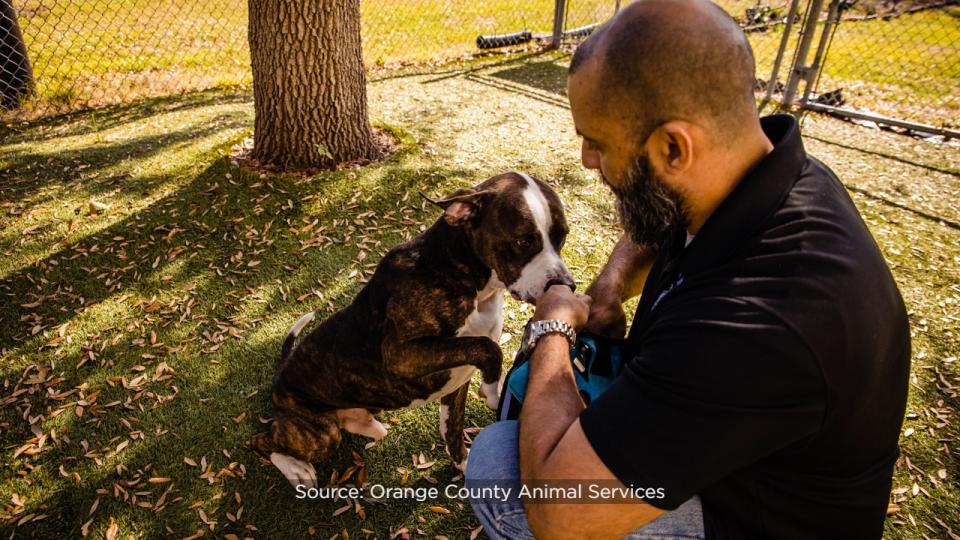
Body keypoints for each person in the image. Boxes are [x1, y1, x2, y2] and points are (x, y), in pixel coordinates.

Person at [464, 0, 912, 538]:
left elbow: (559, 512)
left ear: (675, 147)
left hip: (751, 516)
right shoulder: (759, 172)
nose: (586, 158)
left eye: (599, 143)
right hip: (733, 450)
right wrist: (608, 288)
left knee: (497, 465)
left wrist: (552, 327)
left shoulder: (758, 324)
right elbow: (661, 216)